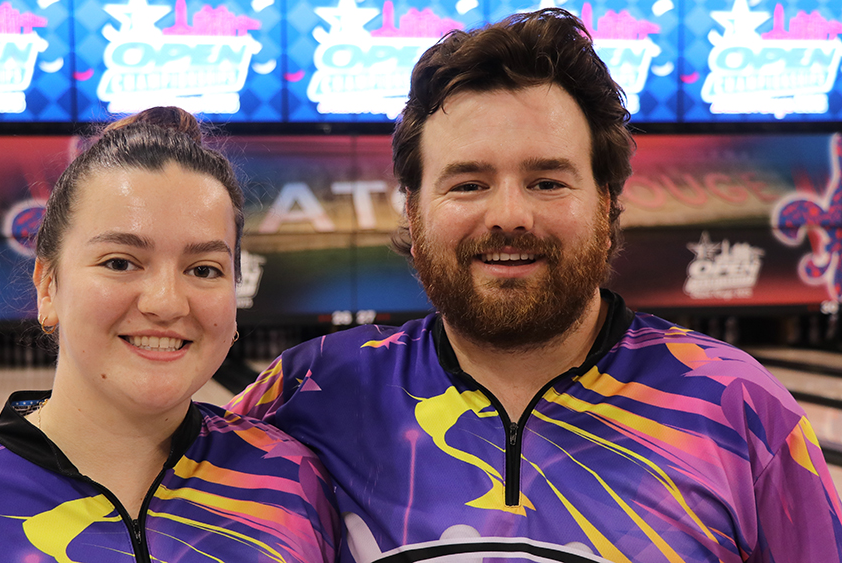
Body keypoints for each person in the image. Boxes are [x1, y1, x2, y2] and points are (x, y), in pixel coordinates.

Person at [227, 8, 842, 562]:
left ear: (607, 204)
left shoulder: (741, 410)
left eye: (548, 182)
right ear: (413, 215)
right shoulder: (307, 393)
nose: (509, 215)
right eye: (467, 184)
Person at [0, 107, 339, 562]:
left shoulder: (292, 480)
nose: (165, 301)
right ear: (48, 286)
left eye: (205, 269)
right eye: (120, 262)